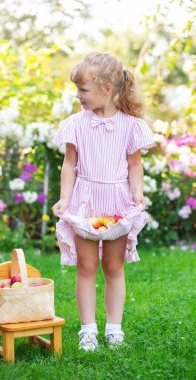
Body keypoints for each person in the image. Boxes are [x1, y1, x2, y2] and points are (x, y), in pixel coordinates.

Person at [52, 52, 156, 352]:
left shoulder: (130, 125)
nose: (78, 95)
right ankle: (88, 330)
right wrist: (65, 199)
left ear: (107, 88)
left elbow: (134, 165)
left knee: (113, 265)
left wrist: (137, 192)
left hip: (115, 204)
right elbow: (69, 165)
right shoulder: (76, 124)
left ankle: (113, 329)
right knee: (86, 266)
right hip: (86, 204)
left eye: (83, 90)